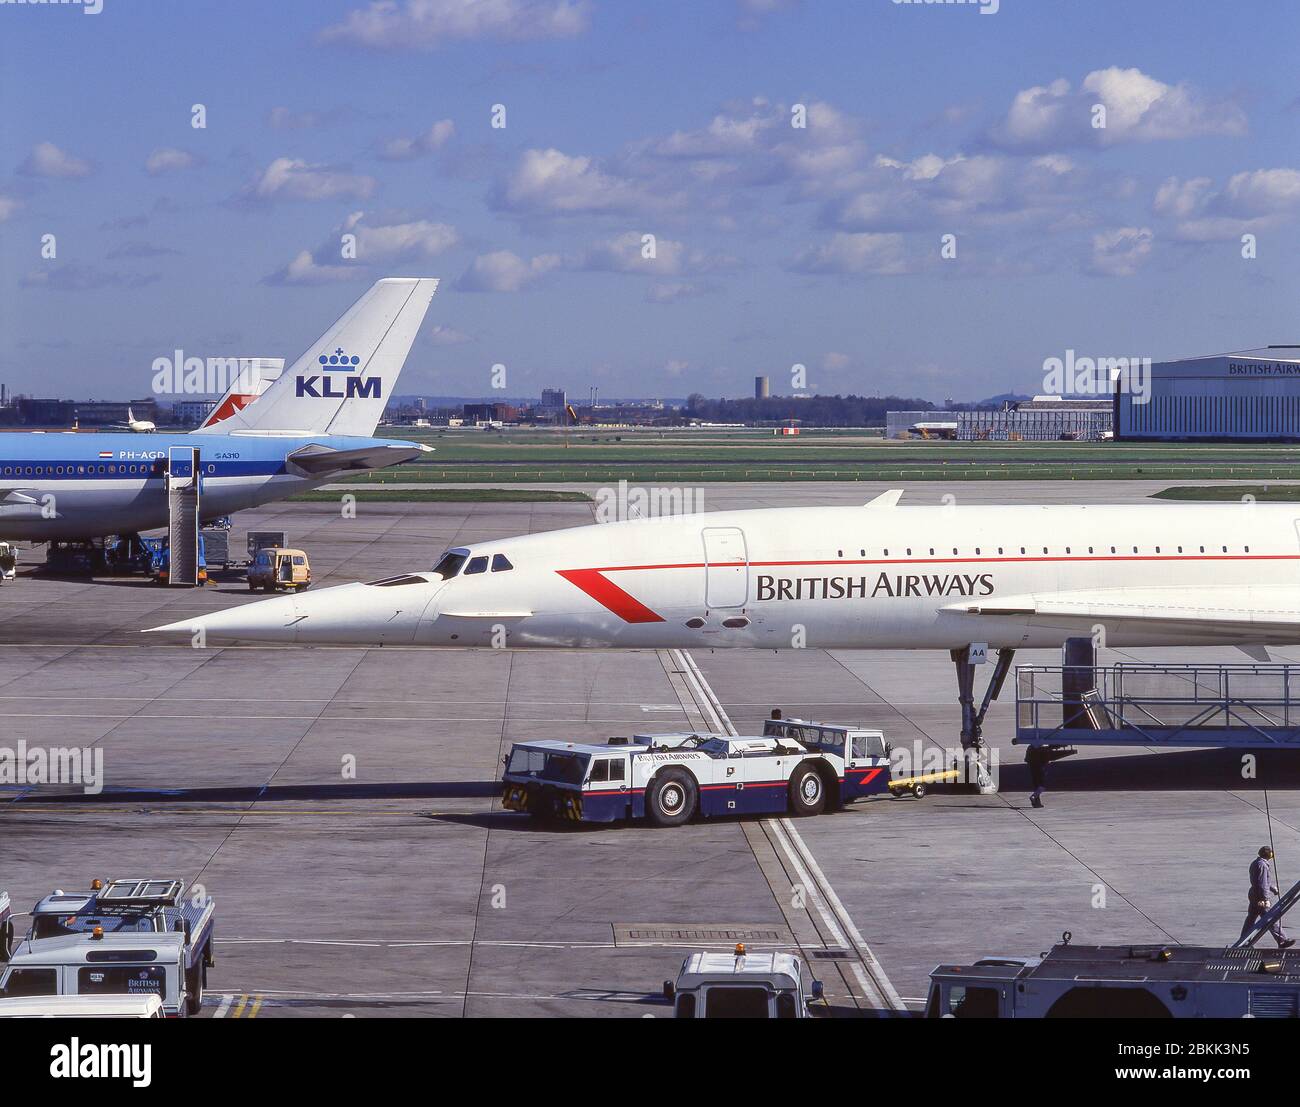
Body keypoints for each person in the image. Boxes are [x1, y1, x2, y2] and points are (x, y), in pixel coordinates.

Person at [1240, 846, 1296, 948]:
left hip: (1254, 894)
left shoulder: (1256, 863)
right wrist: (1264, 899)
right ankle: (1282, 941)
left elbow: (1261, 881)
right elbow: (1262, 883)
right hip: (1260, 896)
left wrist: (1272, 888)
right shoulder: (1263, 865)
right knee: (1270, 918)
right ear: (1269, 854)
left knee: (1251, 919)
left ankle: (1244, 941)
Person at [1025, 744, 1049, 809]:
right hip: (1040, 768)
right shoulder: (1042, 748)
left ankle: (1037, 803)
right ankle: (1033, 796)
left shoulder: (1030, 747)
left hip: (1032, 768)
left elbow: (1026, 759)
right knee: (1042, 785)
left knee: (1036, 786)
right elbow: (1046, 760)